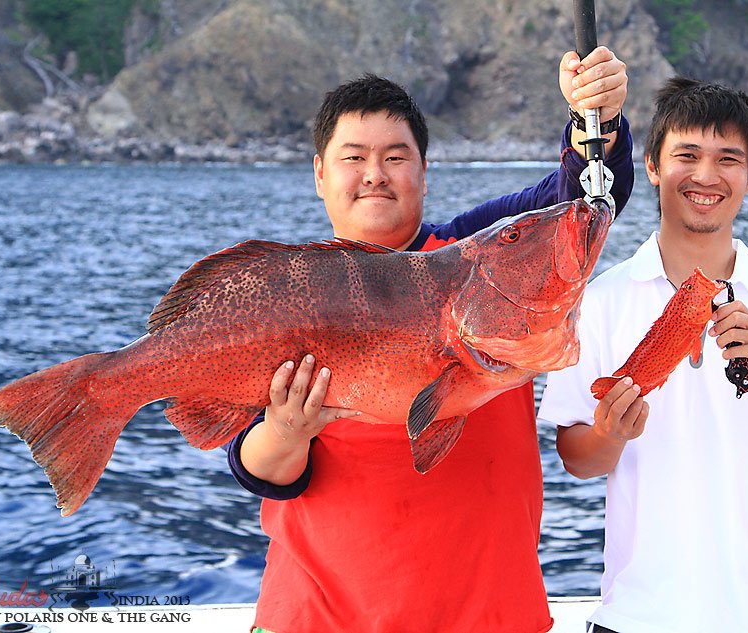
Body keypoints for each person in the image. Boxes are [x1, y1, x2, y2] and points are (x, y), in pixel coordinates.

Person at [226, 47, 634, 633]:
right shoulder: (287, 297)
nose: (375, 173)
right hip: (316, 618)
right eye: (353, 157)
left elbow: (584, 203)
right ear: (319, 172)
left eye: (396, 156)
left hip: (492, 616)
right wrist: (285, 431)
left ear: (423, 170)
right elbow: (255, 466)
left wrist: (599, 119)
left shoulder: (475, 254)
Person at [539, 77, 748, 633]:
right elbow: (578, 459)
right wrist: (610, 432)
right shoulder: (598, 303)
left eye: (728, 159)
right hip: (639, 615)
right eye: (687, 155)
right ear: (654, 166)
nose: (706, 176)